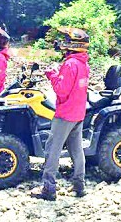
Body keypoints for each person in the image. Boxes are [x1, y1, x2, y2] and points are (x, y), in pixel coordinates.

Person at [31, 27, 90, 201]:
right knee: (77, 150)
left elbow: (61, 90)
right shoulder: (83, 63)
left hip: (65, 114)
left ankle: (49, 189)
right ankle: (80, 186)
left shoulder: (71, 64)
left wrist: (52, 74)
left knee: (52, 151)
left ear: (74, 43)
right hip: (78, 113)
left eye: (66, 39)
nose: (63, 42)